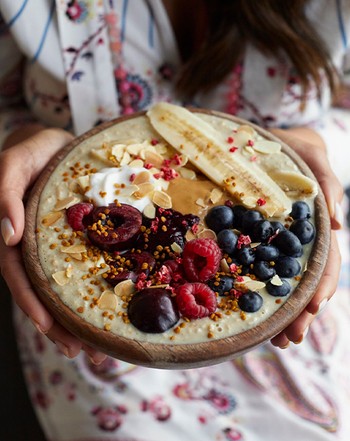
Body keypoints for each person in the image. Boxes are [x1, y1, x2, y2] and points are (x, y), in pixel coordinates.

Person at [0, 0, 349, 439]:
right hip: (91, 344)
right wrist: (23, 145)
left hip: (300, 294)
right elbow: (6, 103)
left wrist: (311, 146)